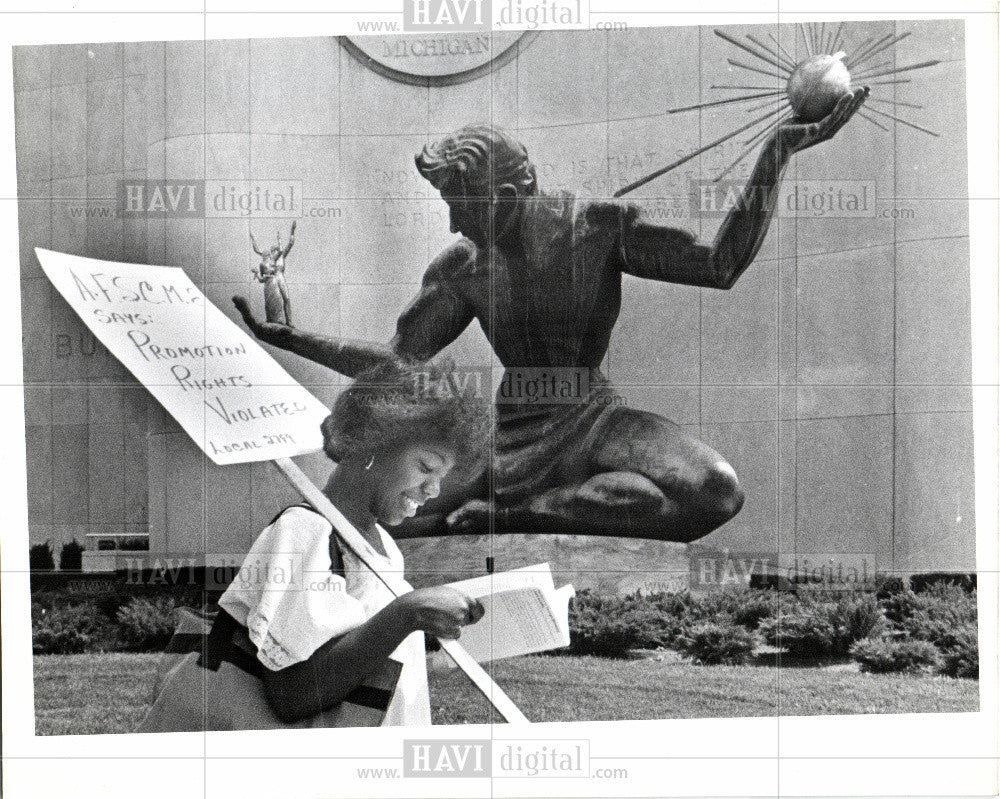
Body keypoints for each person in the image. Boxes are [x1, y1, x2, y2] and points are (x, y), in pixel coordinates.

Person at [234, 87, 869, 543]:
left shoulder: (597, 229)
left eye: (465, 207)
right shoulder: (465, 265)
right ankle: (529, 502)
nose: (455, 223)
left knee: (715, 490)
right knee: (387, 508)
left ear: (510, 195)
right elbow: (398, 364)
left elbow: (718, 265)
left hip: (594, 417)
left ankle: (511, 513)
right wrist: (289, 336)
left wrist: (777, 154)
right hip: (506, 428)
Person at [137, 359, 490, 731]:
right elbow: (293, 694)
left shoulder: (384, 545)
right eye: (425, 467)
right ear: (374, 443)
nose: (433, 491)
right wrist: (407, 613)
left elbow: (357, 662)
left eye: (442, 477)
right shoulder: (306, 531)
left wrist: (425, 643)